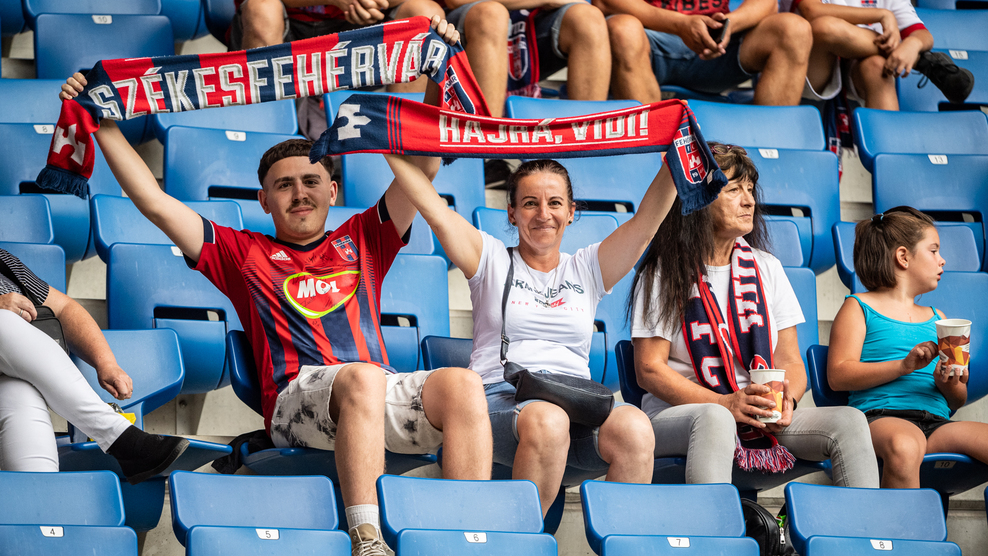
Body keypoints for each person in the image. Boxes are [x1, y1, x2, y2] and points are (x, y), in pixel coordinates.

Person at [61, 18, 492, 556]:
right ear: (264, 200)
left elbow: (422, 168)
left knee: (463, 386)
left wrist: (436, 68)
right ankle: (368, 539)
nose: (300, 193)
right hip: (296, 403)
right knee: (360, 377)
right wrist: (100, 120)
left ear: (333, 190)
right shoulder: (242, 252)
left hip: (374, 393)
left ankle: (468, 538)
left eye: (311, 181)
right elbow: (154, 201)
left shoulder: (364, 239)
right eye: (283, 185)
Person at [385, 153, 671, 514]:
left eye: (555, 203)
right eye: (530, 203)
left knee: (636, 428)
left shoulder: (587, 267)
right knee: (549, 420)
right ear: (512, 213)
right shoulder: (490, 258)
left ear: (571, 212)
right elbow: (437, 214)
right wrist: (387, 146)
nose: (543, 214)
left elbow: (645, 226)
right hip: (500, 398)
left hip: (574, 402)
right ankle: (522, 537)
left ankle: (623, 538)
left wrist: (673, 166)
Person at [630, 143, 879, 487]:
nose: (749, 201)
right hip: (682, 414)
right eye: (734, 190)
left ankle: (862, 523)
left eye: (750, 189)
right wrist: (725, 402)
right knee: (716, 418)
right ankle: (715, 523)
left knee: (849, 421)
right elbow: (649, 369)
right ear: (699, 200)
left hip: (755, 412)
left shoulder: (767, 267)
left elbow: (790, 360)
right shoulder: (662, 270)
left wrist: (787, 400)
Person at [828, 207, 988, 488]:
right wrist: (903, 366)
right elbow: (838, 376)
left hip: (936, 423)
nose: (942, 260)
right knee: (905, 445)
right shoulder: (858, 307)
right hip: (881, 418)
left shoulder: (938, 318)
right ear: (903, 257)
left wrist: (950, 382)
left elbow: (956, 401)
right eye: (933, 251)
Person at [0, 249, 189, 482]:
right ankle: (119, 435)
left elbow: (64, 309)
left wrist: (106, 363)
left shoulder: (4, 261)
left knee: (21, 393)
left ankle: (40, 499)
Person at [592, 0, 812, 105]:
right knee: (622, 29)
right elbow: (604, 2)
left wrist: (728, 25)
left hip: (717, 44)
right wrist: (679, 24)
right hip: (648, 43)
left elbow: (768, 4)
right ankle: (650, 154)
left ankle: (767, 157)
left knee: (794, 29)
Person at [780, 0, 973, 109]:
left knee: (877, 67)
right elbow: (811, 10)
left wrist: (913, 44)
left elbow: (923, 35)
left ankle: (894, 159)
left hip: (858, 70)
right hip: (810, 69)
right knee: (825, 27)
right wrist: (882, 15)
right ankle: (921, 62)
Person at [231, 0, 447, 94]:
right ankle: (265, 124)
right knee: (261, 8)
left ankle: (404, 136)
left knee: (425, 13)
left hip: (362, 26)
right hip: (286, 25)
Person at [442, 0, 612, 118]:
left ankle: (587, 142)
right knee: (492, 15)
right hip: (468, 23)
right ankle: (485, 148)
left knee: (589, 18)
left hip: (532, 22)